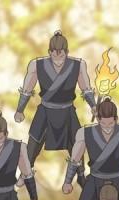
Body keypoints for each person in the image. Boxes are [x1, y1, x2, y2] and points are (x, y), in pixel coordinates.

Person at [15, 29, 96, 166]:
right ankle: (25, 173)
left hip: (67, 112)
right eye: (54, 55)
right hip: (45, 111)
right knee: (32, 148)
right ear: (49, 52)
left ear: (67, 52)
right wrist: (20, 109)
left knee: (77, 147)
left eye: (61, 55)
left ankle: (81, 175)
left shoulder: (78, 65)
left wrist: (93, 105)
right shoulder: (36, 65)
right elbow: (27, 90)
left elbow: (86, 88)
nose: (58, 59)